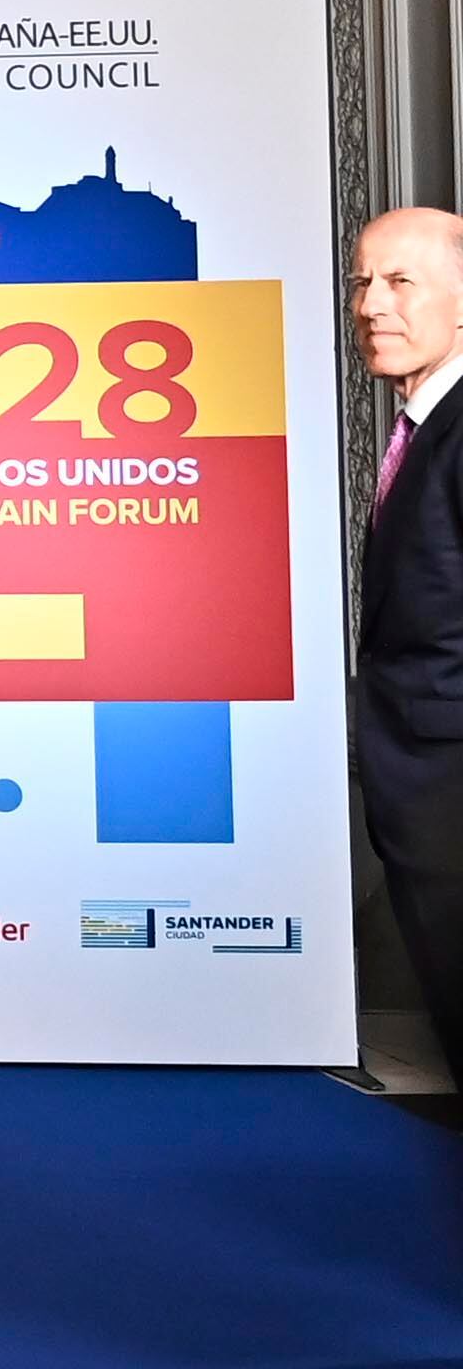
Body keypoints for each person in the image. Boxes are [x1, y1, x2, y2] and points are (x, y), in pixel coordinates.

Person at [352, 207, 463, 1086]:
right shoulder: (424, 427)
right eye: (363, 282)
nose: (371, 305)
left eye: (401, 282)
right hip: (422, 791)